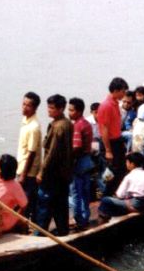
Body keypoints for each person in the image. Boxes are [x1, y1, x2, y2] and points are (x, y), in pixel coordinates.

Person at [36, 94, 73, 236]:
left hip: (53, 174)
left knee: (45, 204)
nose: (48, 110)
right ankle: (63, 232)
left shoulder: (58, 127)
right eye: (48, 107)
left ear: (60, 108)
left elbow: (51, 153)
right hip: (63, 175)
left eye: (52, 108)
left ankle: (40, 234)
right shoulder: (67, 123)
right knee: (61, 205)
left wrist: (41, 172)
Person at [96, 152, 144, 222]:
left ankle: (103, 222)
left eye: (127, 162)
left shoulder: (129, 176)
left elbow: (119, 195)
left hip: (136, 205)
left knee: (105, 200)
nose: (126, 164)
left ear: (132, 164)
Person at [97, 77, 130, 196]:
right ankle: (106, 197)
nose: (124, 94)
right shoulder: (106, 105)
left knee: (121, 170)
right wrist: (108, 150)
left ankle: (115, 194)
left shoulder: (115, 103)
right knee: (110, 172)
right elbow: (104, 129)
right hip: (109, 143)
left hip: (117, 140)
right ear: (116, 90)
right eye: (123, 91)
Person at [68, 97, 95, 231]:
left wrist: (70, 160)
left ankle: (79, 219)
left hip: (79, 162)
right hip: (87, 161)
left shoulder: (77, 125)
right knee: (85, 192)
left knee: (76, 193)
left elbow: (77, 146)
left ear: (78, 111)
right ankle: (85, 217)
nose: (69, 112)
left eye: (71, 110)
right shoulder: (86, 123)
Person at [17, 92, 42, 221]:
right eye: (23, 104)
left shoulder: (34, 127)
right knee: (23, 201)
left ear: (35, 108)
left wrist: (23, 175)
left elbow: (31, 153)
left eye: (28, 106)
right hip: (21, 167)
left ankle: (26, 227)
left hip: (29, 173)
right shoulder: (26, 121)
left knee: (26, 202)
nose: (24, 107)